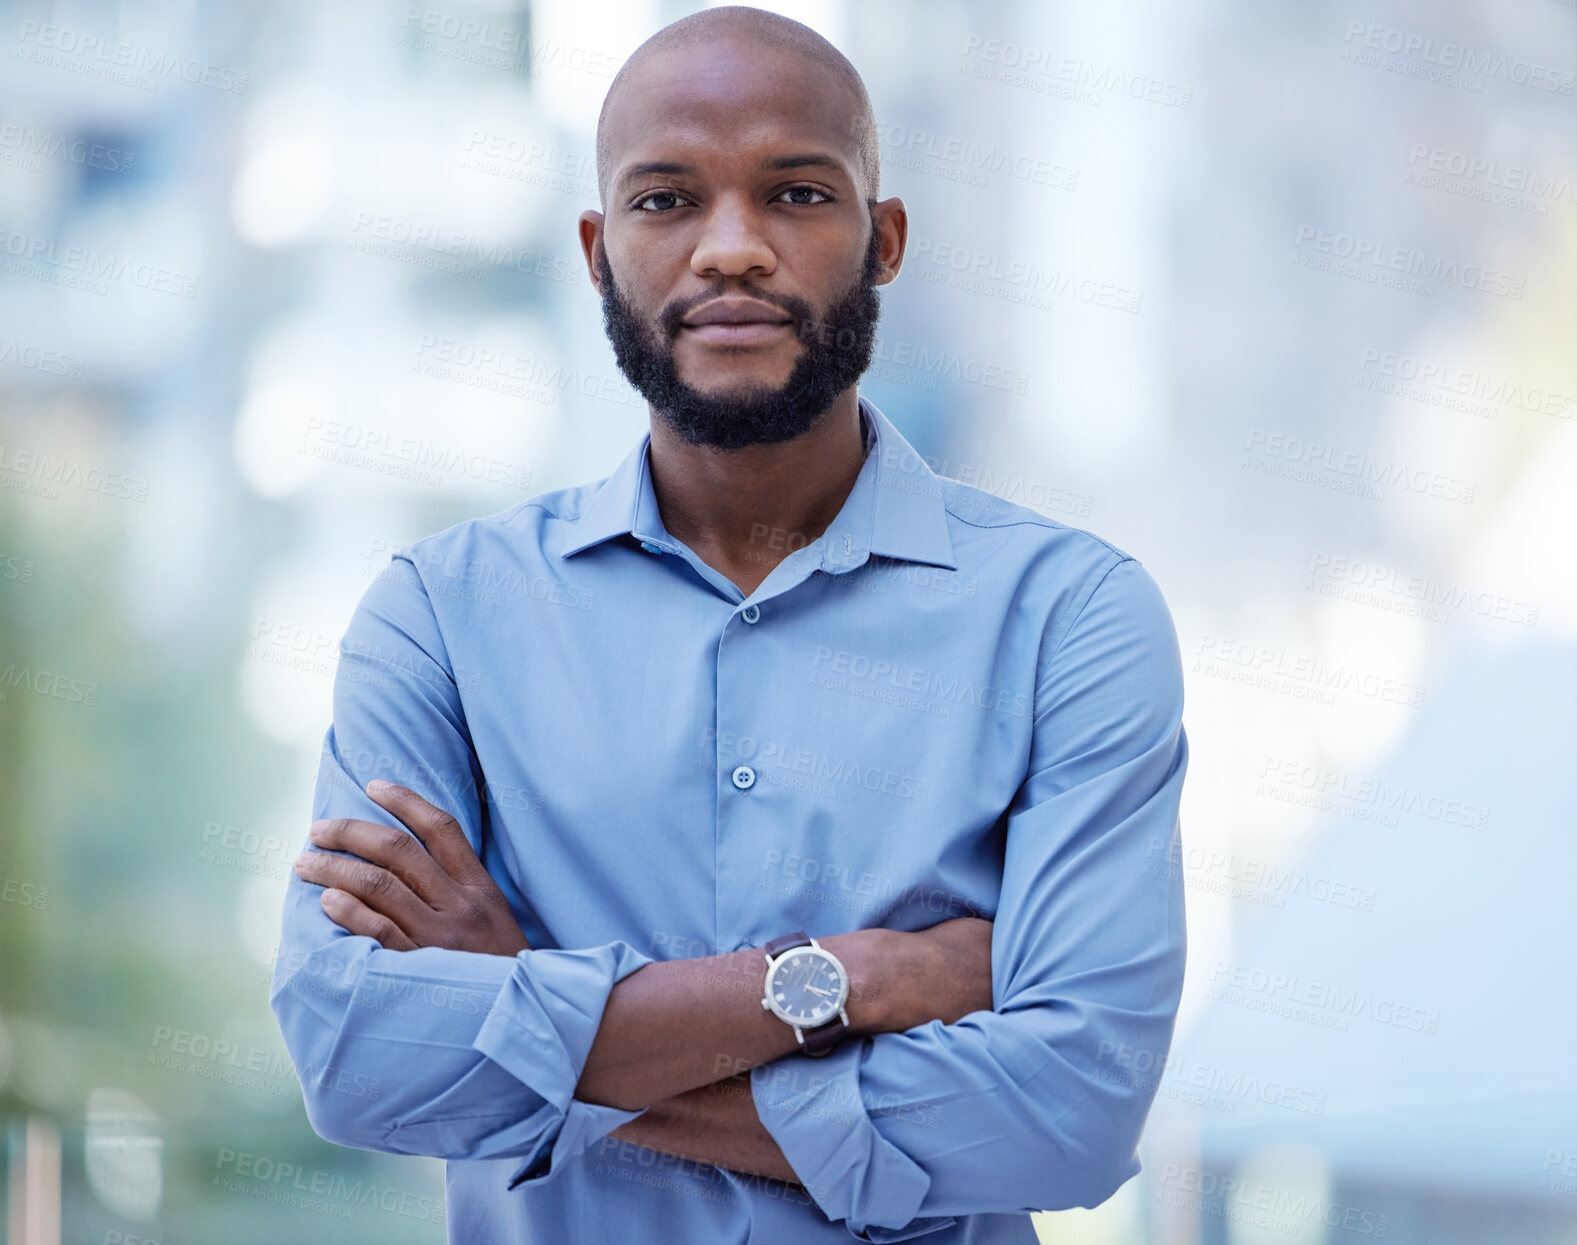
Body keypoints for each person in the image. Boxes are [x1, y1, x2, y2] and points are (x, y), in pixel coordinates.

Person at [270, 7, 1189, 1243]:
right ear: (597, 253)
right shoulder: (440, 617)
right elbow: (358, 1056)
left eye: (799, 193)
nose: (732, 250)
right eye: (665, 201)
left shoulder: (1068, 619)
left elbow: (1067, 1115)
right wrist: (850, 982)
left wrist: (524, 1013)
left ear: (885, 240)